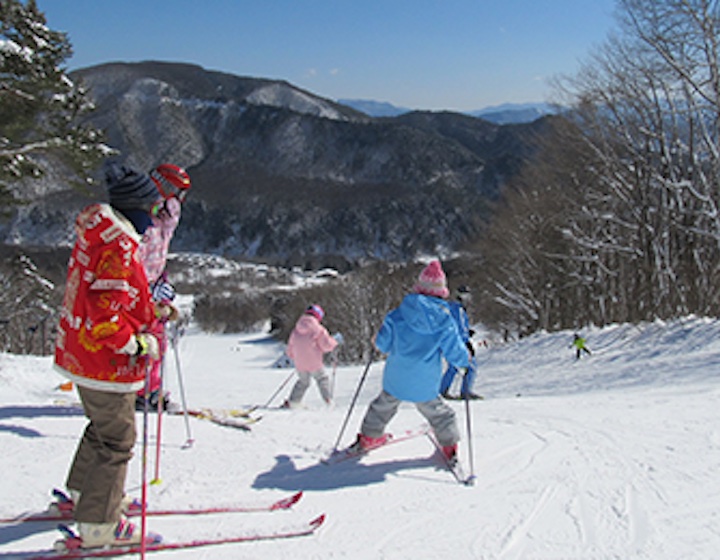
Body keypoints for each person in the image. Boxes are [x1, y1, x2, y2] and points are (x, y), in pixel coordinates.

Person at [54, 162, 163, 549]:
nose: (154, 221)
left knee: (102, 429)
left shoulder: (100, 237)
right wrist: (136, 343)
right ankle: (101, 526)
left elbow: (108, 298)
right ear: (135, 208)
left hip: (81, 354)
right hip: (105, 364)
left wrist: (151, 313)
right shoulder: (117, 246)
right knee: (117, 438)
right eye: (151, 211)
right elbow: (106, 315)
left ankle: (89, 496)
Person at [352, 260, 470, 462]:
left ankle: (369, 437)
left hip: (395, 378)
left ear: (419, 288)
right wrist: (464, 362)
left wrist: (376, 340)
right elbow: (454, 351)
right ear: (442, 292)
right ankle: (449, 445)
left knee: (382, 407)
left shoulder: (397, 314)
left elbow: (383, 344)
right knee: (440, 414)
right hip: (425, 382)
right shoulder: (444, 320)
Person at [134, 163, 192, 412]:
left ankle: (148, 389)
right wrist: (147, 288)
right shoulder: (143, 220)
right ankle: (142, 391)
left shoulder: (164, 215)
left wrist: (162, 283)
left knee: (156, 341)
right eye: (177, 192)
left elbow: (158, 254)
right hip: (138, 290)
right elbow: (135, 258)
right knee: (148, 342)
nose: (179, 200)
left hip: (152, 286)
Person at [281, 304, 339, 408]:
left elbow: (290, 349)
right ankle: (328, 400)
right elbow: (325, 345)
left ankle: (293, 401)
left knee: (303, 382)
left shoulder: (296, 329)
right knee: (322, 379)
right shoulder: (318, 329)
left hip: (300, 363)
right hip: (314, 361)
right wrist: (334, 342)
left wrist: (296, 357)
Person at [440, 285, 481, 400]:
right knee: (471, 366)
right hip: (458, 342)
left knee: (453, 367)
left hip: (451, 342)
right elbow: (459, 327)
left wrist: (467, 332)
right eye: (465, 295)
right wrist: (466, 340)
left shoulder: (451, 307)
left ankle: (442, 390)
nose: (468, 298)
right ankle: (465, 392)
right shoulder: (458, 309)